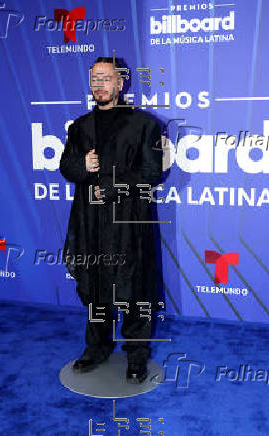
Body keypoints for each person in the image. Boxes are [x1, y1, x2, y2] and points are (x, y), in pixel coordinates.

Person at [59, 56, 163, 383]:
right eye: (94, 79)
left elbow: (151, 171)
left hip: (128, 222)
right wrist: (82, 167)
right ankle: (97, 348)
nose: (99, 85)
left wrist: (113, 187)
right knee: (94, 287)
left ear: (120, 83)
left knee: (133, 289)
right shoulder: (79, 127)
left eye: (105, 79)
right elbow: (66, 167)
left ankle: (136, 356)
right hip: (90, 222)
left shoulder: (143, 124)